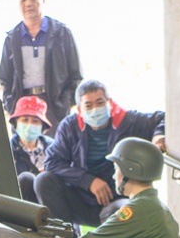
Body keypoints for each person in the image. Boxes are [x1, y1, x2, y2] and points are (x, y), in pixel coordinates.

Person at [34, 80, 165, 228]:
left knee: (122, 211)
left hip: (116, 200)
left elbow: (163, 117)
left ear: (109, 102)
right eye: (88, 106)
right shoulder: (69, 126)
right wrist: (88, 181)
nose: (95, 109)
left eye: (100, 103)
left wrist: (159, 137)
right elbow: (52, 162)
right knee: (43, 180)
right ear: (79, 109)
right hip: (82, 198)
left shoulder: (129, 121)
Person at [0, 0, 81, 133]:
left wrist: (65, 104)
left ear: (43, 1)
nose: (28, 3)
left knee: (55, 152)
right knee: (23, 153)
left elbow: (76, 75)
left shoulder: (61, 33)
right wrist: (11, 105)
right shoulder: (12, 38)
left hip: (54, 106)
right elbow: (4, 78)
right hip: (22, 107)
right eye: (23, 0)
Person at [9, 95, 54, 202]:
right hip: (19, 204)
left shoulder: (54, 148)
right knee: (26, 178)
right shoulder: (6, 150)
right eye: (25, 120)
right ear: (16, 123)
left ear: (42, 126)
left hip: (49, 202)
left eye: (35, 121)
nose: (30, 125)